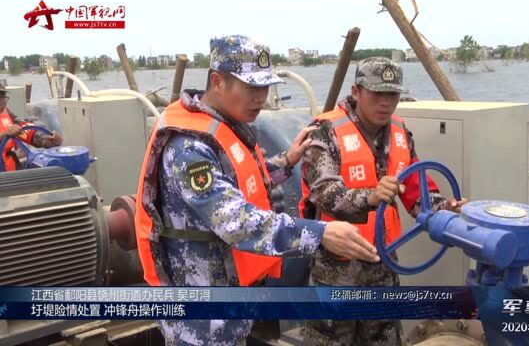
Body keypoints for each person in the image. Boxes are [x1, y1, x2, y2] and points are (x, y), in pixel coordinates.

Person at [134, 35, 380, 346]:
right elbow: (235, 221)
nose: (261, 97)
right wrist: (319, 235)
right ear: (218, 81)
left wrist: (286, 162)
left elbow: (241, 182)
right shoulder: (189, 149)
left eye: (265, 87)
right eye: (251, 87)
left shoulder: (221, 127)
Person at [299, 57, 468, 346]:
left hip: (384, 265)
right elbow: (325, 195)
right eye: (377, 94)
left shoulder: (401, 133)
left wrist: (445, 209)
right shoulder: (324, 133)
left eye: (392, 95)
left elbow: (417, 192)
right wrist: (370, 196)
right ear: (356, 91)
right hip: (336, 271)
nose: (385, 103)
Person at [0, 85, 62, 171]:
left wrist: (45, 140)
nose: (2, 101)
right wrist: (3, 134)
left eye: (3, 97)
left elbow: (24, 129)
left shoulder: (8, 116)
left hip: (10, 174)